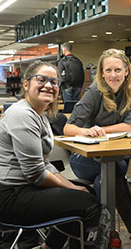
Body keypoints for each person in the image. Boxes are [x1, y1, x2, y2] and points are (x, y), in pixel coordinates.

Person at [0, 61, 101, 249]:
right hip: (9, 195)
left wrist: (72, 186)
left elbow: (45, 164)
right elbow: (35, 173)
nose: (49, 85)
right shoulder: (21, 114)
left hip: (24, 188)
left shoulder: (40, 115)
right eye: (41, 79)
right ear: (26, 84)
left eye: (54, 82)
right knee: (88, 204)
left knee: (87, 194)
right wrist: (72, 188)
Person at [63, 48, 131, 249]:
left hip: (116, 158)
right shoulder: (94, 93)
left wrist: (100, 129)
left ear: (127, 71)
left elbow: (130, 126)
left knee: (107, 178)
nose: (113, 75)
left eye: (118, 70)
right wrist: (86, 132)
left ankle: (97, 237)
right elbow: (68, 128)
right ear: (102, 73)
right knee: (113, 176)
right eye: (109, 70)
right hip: (84, 158)